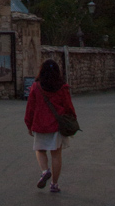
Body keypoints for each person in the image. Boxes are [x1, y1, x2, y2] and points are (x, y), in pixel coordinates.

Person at [24, 59, 77, 193]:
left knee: (40, 150)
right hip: (56, 126)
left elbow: (30, 108)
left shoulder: (36, 87)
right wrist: (72, 121)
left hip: (40, 124)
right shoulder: (62, 88)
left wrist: (29, 125)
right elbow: (68, 107)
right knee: (56, 155)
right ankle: (54, 184)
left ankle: (44, 171)